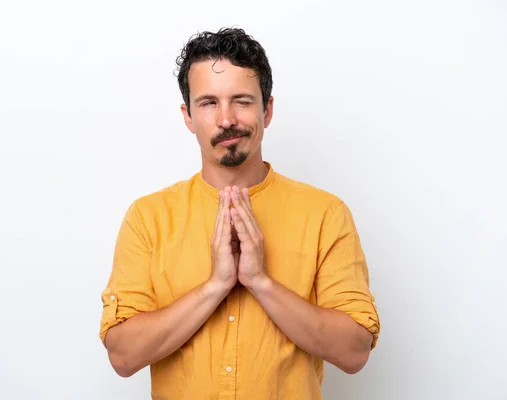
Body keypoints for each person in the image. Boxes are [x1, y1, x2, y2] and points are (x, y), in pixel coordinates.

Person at [99, 27, 380, 399]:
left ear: (268, 109)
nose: (227, 118)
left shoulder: (326, 214)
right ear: (188, 116)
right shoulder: (148, 218)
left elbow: (354, 351)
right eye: (209, 103)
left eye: (242, 101)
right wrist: (215, 286)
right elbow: (123, 355)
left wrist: (260, 281)